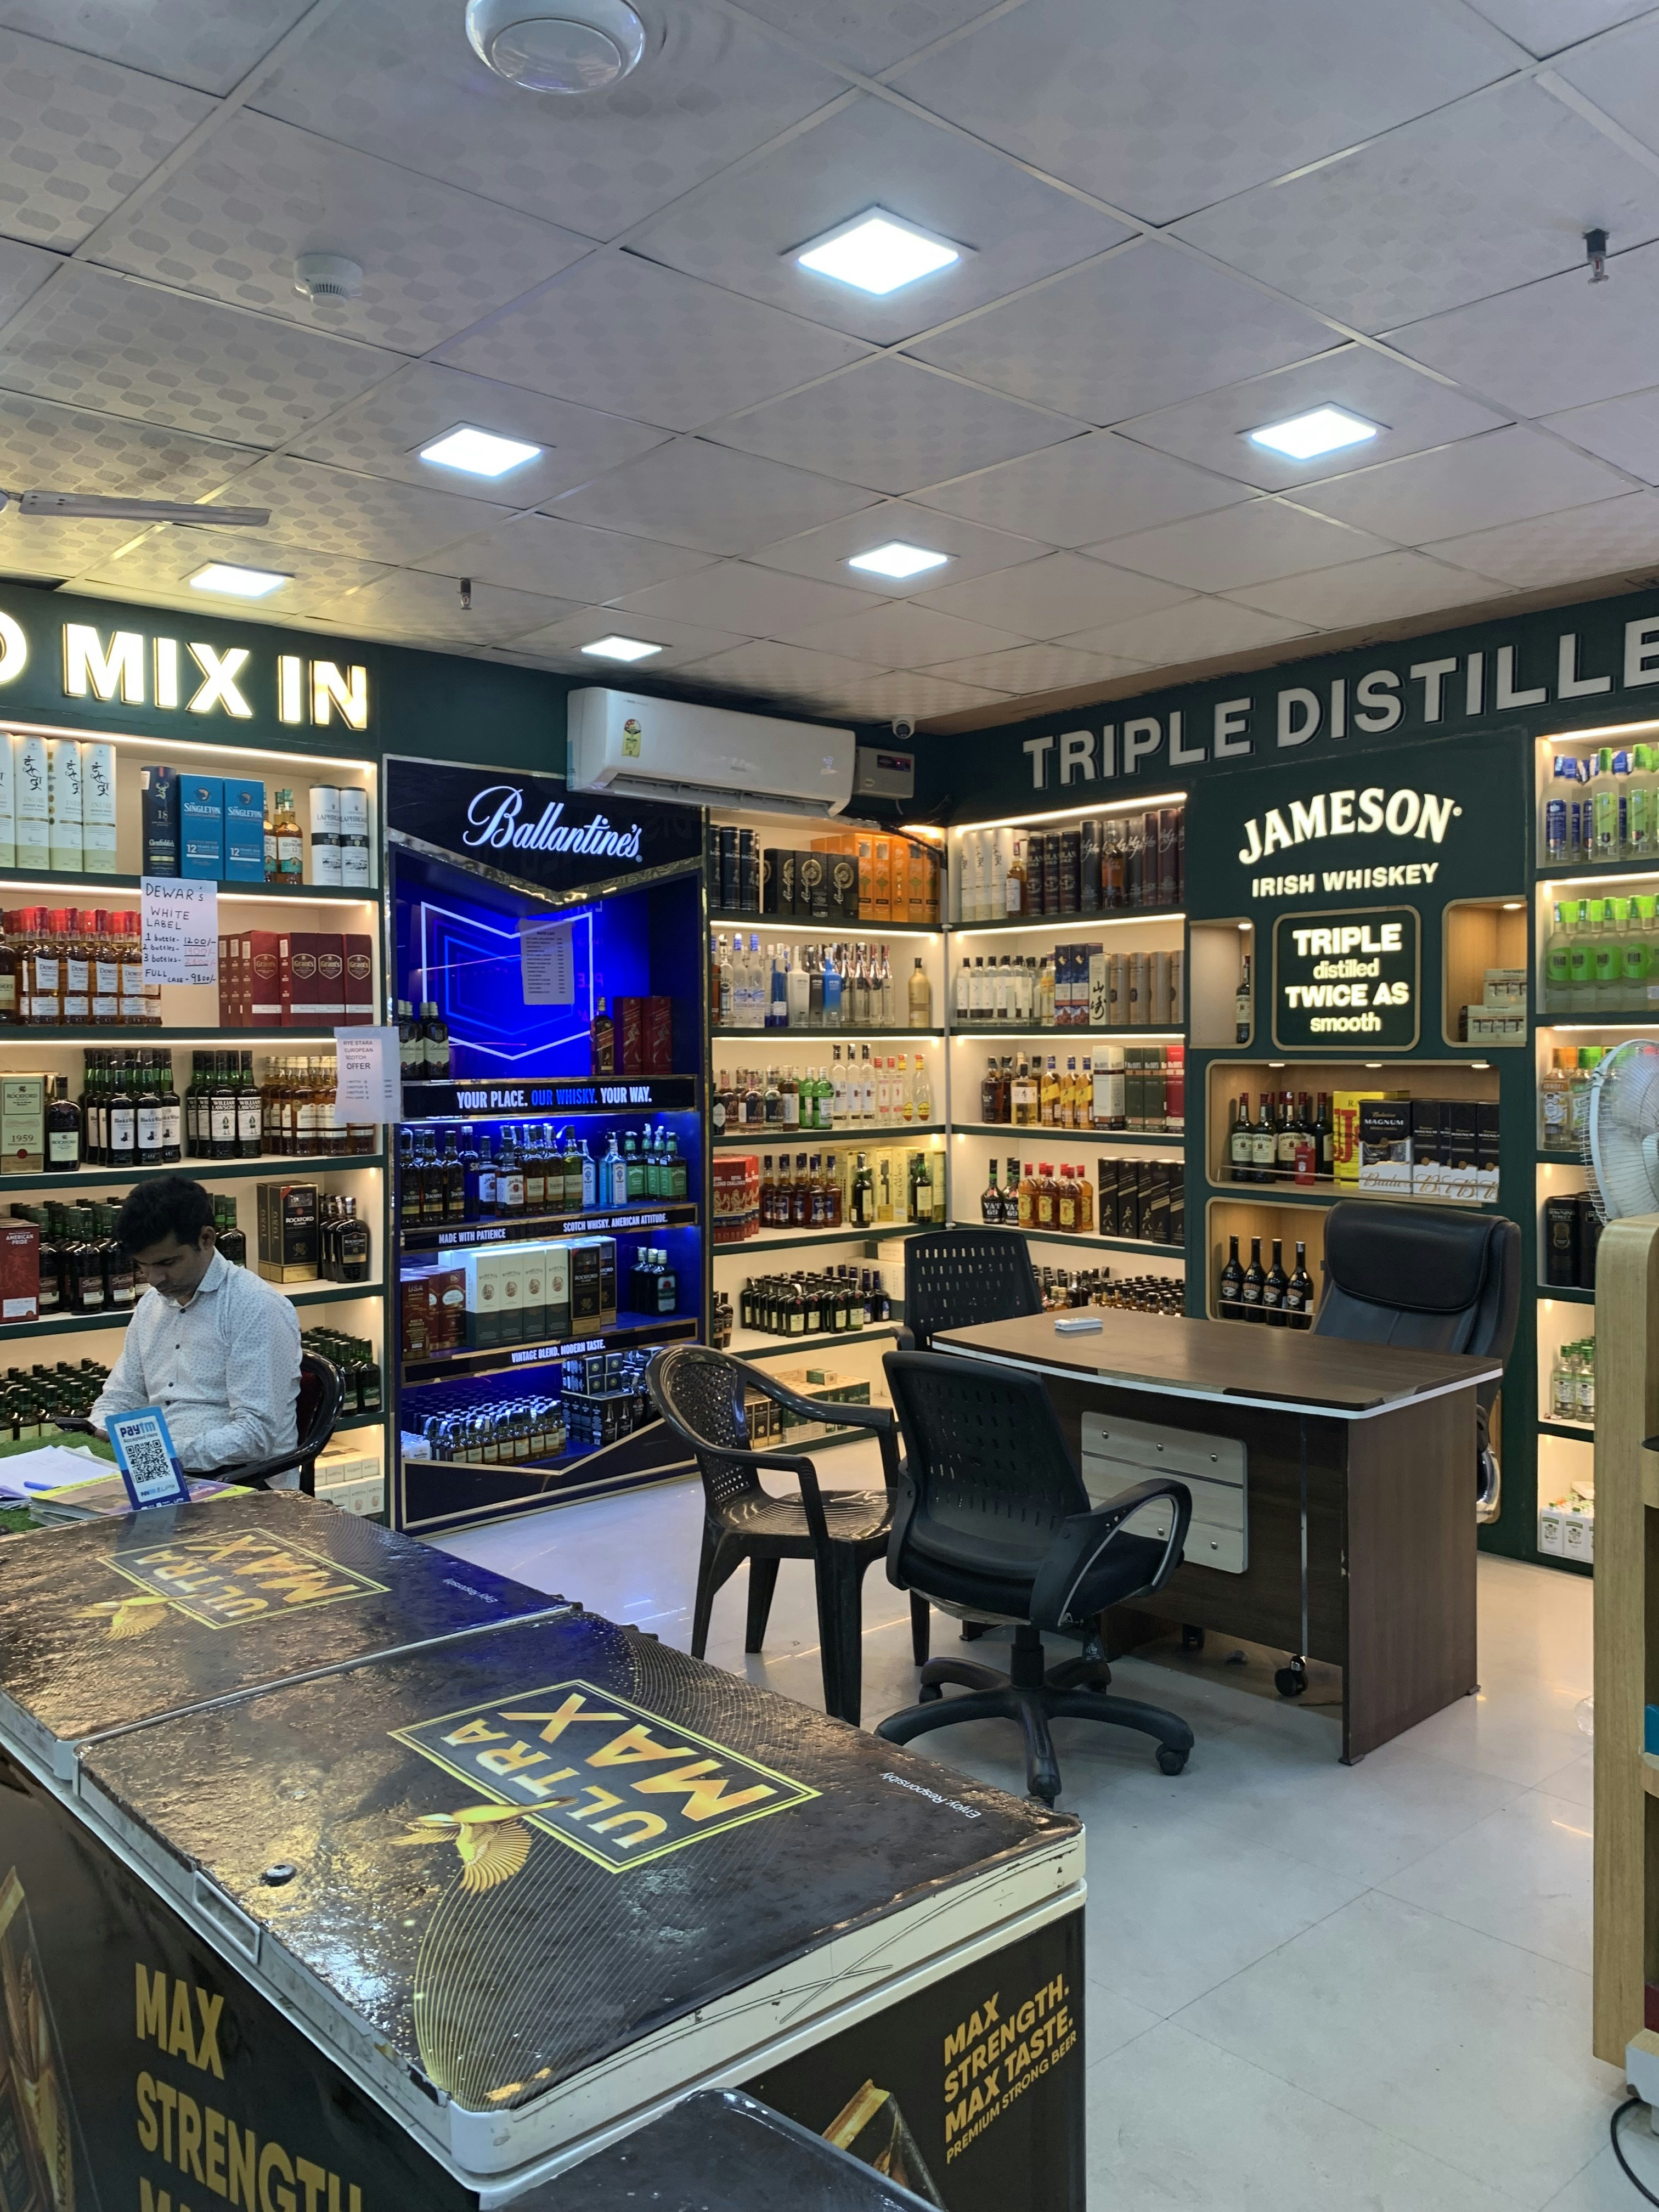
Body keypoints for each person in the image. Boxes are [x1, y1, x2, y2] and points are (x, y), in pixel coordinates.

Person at [91, 1175, 302, 1480]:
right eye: (143, 1265)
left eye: (167, 1263)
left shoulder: (256, 1307)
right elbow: (122, 1396)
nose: (154, 1279)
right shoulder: (151, 1304)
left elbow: (257, 1435)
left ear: (206, 1239)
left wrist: (158, 1453)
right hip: (158, 1469)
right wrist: (100, 1429)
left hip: (239, 1481)